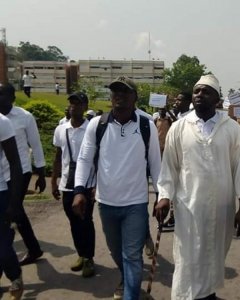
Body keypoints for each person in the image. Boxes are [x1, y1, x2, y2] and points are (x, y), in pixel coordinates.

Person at [156, 74, 240, 300]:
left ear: (217, 98)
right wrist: (164, 196)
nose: (200, 95)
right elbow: (169, 167)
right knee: (187, 255)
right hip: (189, 205)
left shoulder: (231, 128)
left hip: (222, 207)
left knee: (214, 252)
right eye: (197, 91)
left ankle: (206, 292)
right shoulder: (180, 127)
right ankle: (186, 296)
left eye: (206, 91)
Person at [72, 76, 161, 300]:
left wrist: (162, 195)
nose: (119, 95)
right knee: (116, 252)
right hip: (106, 203)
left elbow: (156, 164)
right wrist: (79, 190)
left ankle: (130, 294)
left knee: (131, 255)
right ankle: (127, 279)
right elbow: (84, 159)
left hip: (136, 203)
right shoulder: (97, 124)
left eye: (125, 91)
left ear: (135, 97)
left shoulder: (145, 125)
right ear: (110, 97)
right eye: (115, 91)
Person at [0, 83, 46, 266]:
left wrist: (41, 173)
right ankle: (33, 249)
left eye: (1, 94)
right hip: (2, 173)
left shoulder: (25, 117)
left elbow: (35, 144)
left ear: (12, 97)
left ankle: (7, 256)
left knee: (13, 210)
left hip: (20, 172)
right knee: (17, 212)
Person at [51, 92, 96, 278]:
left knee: (85, 221)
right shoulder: (61, 129)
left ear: (85, 106)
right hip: (67, 183)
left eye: (78, 104)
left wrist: (97, 184)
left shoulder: (92, 129)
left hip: (87, 183)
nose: (73, 107)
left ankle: (89, 258)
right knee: (73, 221)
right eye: (71, 103)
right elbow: (57, 157)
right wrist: (53, 180)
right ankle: (81, 254)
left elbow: (99, 158)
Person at [0, 108, 24, 299]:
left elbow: (15, 163)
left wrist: (14, 202)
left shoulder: (2, 122)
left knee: (3, 247)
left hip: (0, 192)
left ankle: (15, 275)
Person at [160, 92, 192, 232]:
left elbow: (177, 126)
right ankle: (174, 217)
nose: (176, 102)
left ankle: (177, 218)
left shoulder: (190, 117)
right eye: (176, 100)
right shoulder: (179, 115)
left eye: (180, 100)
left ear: (187, 102)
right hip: (175, 159)